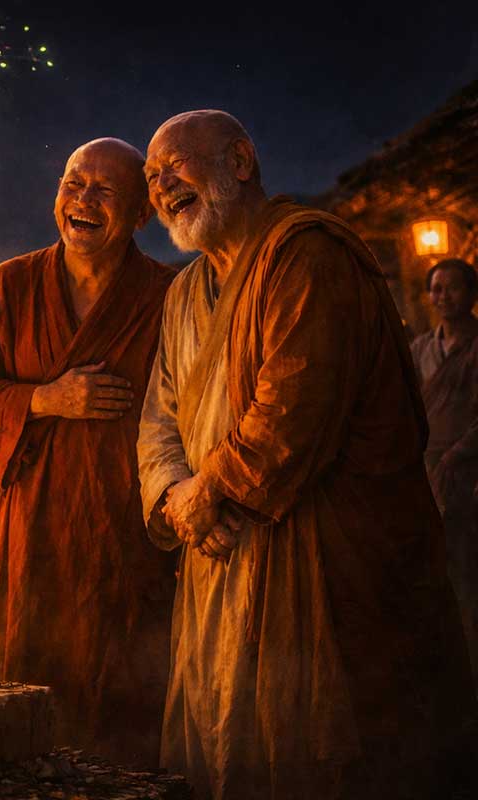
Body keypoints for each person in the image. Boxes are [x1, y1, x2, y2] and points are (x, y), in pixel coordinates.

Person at [137, 109, 475, 799]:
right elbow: (157, 421)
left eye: (175, 165)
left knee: (335, 761)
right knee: (229, 744)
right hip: (219, 559)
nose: (162, 185)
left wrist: (207, 495)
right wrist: (174, 494)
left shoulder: (309, 255)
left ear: (240, 160)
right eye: (150, 178)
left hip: (319, 569)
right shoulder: (181, 295)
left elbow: (295, 408)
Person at [0, 138, 176, 765]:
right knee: (28, 687)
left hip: (129, 527)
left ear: (140, 214)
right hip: (33, 529)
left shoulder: (167, 295)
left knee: (127, 691)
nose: (83, 200)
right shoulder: (11, 285)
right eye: (74, 183)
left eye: (105, 191)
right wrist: (47, 398)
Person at [410, 257, 478, 685]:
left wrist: (458, 453)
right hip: (425, 475)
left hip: (469, 475)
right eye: (436, 288)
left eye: (452, 288)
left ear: (471, 295)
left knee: (467, 572)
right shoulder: (420, 349)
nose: (443, 297)